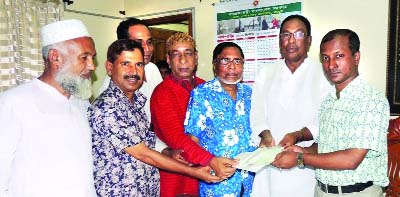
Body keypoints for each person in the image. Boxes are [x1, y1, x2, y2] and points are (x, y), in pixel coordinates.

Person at [89, 39, 222, 197]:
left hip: (148, 188)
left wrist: (167, 151)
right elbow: (144, 153)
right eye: (126, 64)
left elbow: (148, 141)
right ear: (110, 68)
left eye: (139, 65)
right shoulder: (107, 107)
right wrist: (203, 165)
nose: (133, 71)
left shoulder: (136, 102)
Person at [273, 29, 389, 197]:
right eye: (325, 58)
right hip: (322, 191)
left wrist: (299, 160)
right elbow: (327, 146)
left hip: (358, 192)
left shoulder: (370, 99)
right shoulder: (330, 100)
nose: (331, 65)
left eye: (339, 56)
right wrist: (302, 151)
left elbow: (351, 159)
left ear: (356, 57)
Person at [0, 19, 97, 197]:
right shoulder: (12, 103)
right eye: (84, 57)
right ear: (55, 58)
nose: (92, 65)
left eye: (92, 57)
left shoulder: (82, 102)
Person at [250, 14, 331, 197]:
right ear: (280, 41)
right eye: (286, 35)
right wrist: (264, 133)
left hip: (305, 163)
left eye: (299, 34)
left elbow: (326, 119)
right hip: (269, 160)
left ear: (309, 41)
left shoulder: (324, 74)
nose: (291, 41)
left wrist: (298, 136)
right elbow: (256, 111)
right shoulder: (266, 72)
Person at [151, 33, 238, 197]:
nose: (183, 60)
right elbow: (178, 139)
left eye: (188, 53)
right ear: (168, 60)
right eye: (176, 54)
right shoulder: (162, 93)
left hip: (211, 177)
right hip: (178, 177)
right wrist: (211, 160)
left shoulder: (205, 87)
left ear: (196, 57)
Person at [184, 42, 257, 196]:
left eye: (237, 61)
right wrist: (205, 164)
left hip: (249, 179)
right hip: (217, 180)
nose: (232, 66)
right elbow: (192, 140)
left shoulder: (250, 93)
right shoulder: (201, 94)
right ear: (214, 65)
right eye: (225, 61)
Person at [98, 17, 168, 152]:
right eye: (139, 42)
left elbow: (158, 117)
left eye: (149, 42)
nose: (146, 49)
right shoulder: (111, 90)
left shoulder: (152, 69)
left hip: (154, 146)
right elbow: (138, 149)